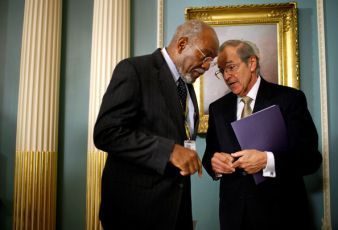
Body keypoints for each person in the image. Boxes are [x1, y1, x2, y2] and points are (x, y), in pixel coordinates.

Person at [93, 20, 219, 230]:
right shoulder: (134, 70)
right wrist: (169, 151)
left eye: (211, 61)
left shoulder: (186, 85)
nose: (206, 66)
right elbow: (107, 132)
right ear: (181, 44)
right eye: (205, 56)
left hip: (175, 212)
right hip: (134, 212)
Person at [202, 40, 322, 230]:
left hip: (282, 216)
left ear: (251, 63)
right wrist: (214, 164)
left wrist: (267, 161)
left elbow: (310, 159)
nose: (227, 76)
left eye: (231, 67)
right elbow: (209, 155)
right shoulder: (218, 108)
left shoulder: (290, 99)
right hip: (234, 217)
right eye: (222, 70)